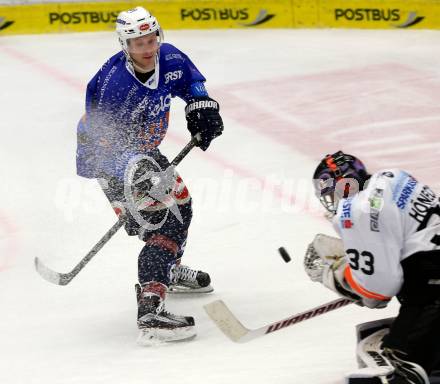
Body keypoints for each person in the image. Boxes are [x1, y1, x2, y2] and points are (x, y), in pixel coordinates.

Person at [76, 6, 223, 344]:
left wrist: (201, 107)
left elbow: (192, 83)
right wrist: (124, 185)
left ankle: (168, 269)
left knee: (181, 208)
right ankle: (150, 308)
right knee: (163, 223)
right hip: (110, 159)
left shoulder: (169, 58)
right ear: (124, 45)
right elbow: (102, 139)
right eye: (137, 41)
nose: (146, 46)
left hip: (144, 151)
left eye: (150, 38)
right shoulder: (113, 83)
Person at [304, 150, 440, 383]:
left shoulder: (358, 210)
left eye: (331, 194)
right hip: (431, 280)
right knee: (374, 339)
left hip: (433, 292)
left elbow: (378, 292)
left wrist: (334, 274)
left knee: (397, 365)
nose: (332, 202)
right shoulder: (392, 177)